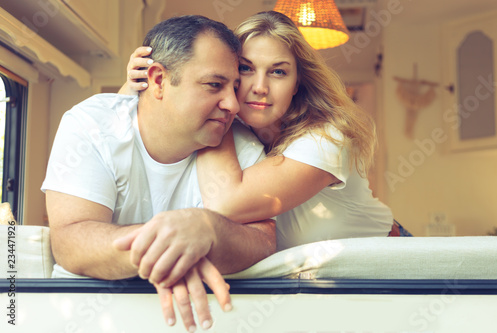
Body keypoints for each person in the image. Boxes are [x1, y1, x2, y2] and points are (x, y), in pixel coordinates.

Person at [42, 15, 276, 332]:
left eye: (235, 87)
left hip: (205, 321)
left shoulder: (244, 147)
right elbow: (69, 240)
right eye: (214, 85)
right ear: (158, 81)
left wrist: (207, 229)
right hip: (90, 316)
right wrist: (174, 248)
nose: (233, 104)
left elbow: (263, 243)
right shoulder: (91, 125)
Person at [124, 11, 409, 252]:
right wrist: (136, 85)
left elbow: (225, 203)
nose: (259, 86)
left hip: (387, 260)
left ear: (297, 83)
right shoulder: (242, 131)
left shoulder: (326, 138)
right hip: (312, 279)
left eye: (278, 72)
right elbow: (134, 126)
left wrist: (217, 114)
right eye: (246, 69)